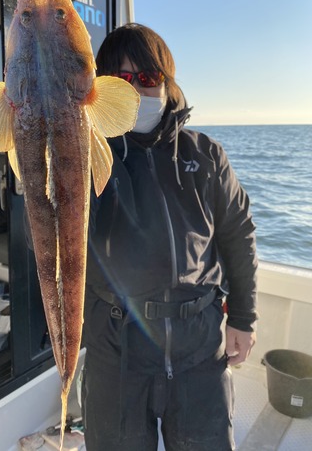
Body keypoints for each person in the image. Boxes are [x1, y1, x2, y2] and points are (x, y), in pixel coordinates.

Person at [81, 23, 258, 451]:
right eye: (121, 80)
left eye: (148, 78)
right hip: (116, 346)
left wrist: (243, 319)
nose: (138, 91)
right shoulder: (86, 157)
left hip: (199, 341)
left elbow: (237, 236)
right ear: (100, 90)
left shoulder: (206, 154)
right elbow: (50, 243)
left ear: (167, 82)